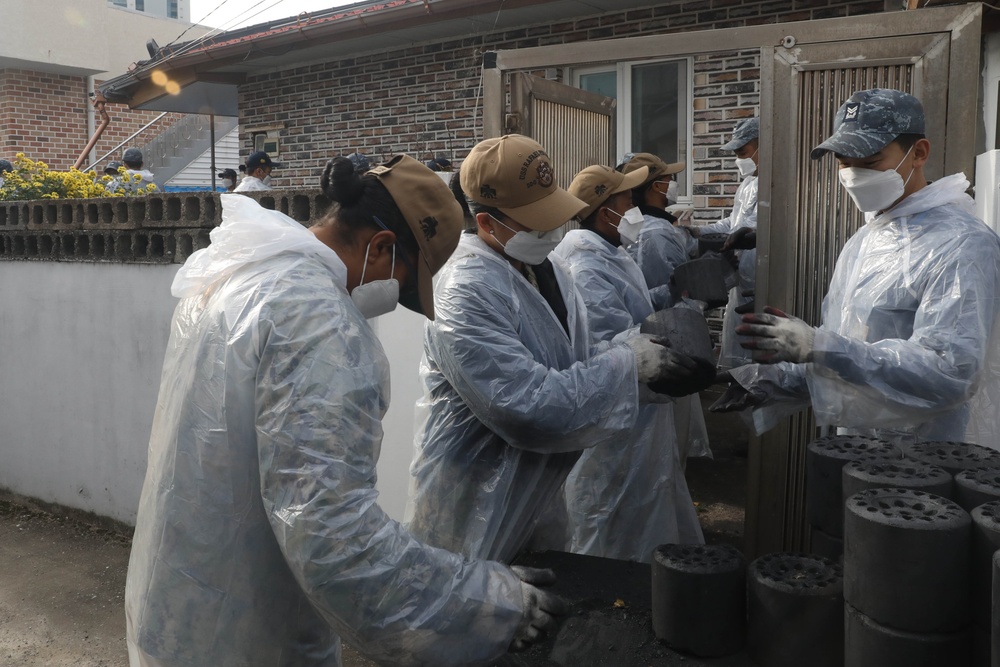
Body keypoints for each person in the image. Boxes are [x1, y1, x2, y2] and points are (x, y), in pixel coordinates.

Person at [125, 154, 568, 667]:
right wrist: (486, 603)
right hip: (253, 634)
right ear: (380, 246)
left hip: (186, 599)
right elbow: (331, 533)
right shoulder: (320, 327)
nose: (396, 300)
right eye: (403, 285)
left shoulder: (243, 277)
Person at [404, 134, 698, 564]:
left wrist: (636, 356)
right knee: (472, 604)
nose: (552, 230)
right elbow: (525, 406)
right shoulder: (463, 290)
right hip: (472, 501)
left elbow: (573, 358)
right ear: (487, 223)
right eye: (537, 222)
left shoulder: (545, 267)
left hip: (536, 487)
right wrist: (625, 366)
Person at [716, 89, 1000, 450]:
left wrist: (819, 345)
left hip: (935, 460)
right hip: (861, 449)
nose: (853, 174)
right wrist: (769, 380)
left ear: (919, 153)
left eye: (870, 161)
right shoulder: (867, 240)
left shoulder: (962, 243)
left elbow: (950, 372)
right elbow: (850, 348)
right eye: (844, 161)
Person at [555, 163, 704, 561]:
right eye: (627, 201)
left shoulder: (608, 251)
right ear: (606, 212)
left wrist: (670, 292)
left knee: (646, 498)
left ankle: (645, 568)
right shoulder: (585, 264)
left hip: (641, 408)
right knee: (611, 506)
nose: (634, 207)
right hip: (621, 414)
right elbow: (611, 342)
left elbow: (633, 307)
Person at [684, 117, 760, 370]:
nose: (739, 159)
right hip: (743, 275)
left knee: (762, 352)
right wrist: (698, 231)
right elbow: (732, 223)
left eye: (743, 152)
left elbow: (764, 227)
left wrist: (746, 233)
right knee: (741, 346)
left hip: (764, 276)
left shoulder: (777, 183)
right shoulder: (748, 184)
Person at [618, 152, 697, 310]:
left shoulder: (640, 223)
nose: (674, 184)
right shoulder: (655, 233)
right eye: (670, 179)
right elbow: (673, 298)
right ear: (656, 186)